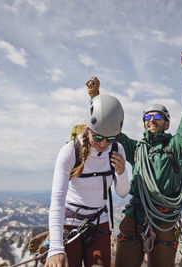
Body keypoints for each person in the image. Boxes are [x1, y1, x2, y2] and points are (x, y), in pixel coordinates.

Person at [114, 50, 182, 267]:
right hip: (135, 216)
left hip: (165, 221)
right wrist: (95, 99)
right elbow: (111, 130)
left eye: (157, 117)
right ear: (144, 123)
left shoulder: (175, 147)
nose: (151, 120)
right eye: (147, 117)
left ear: (166, 123)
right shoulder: (137, 149)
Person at [45, 80, 130, 267]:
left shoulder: (117, 149)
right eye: (98, 137)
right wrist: (56, 248)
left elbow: (123, 192)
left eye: (110, 139)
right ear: (88, 129)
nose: (102, 144)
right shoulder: (69, 152)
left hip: (99, 222)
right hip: (70, 222)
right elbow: (57, 199)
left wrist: (122, 172)